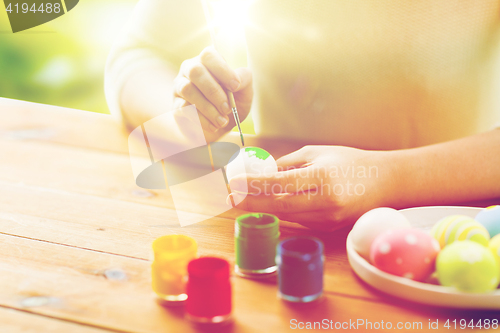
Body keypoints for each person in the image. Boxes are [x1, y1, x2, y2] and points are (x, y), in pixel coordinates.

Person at [105, 0, 500, 231]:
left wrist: (387, 176)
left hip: (456, 229)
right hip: (286, 234)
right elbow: (134, 54)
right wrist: (188, 116)